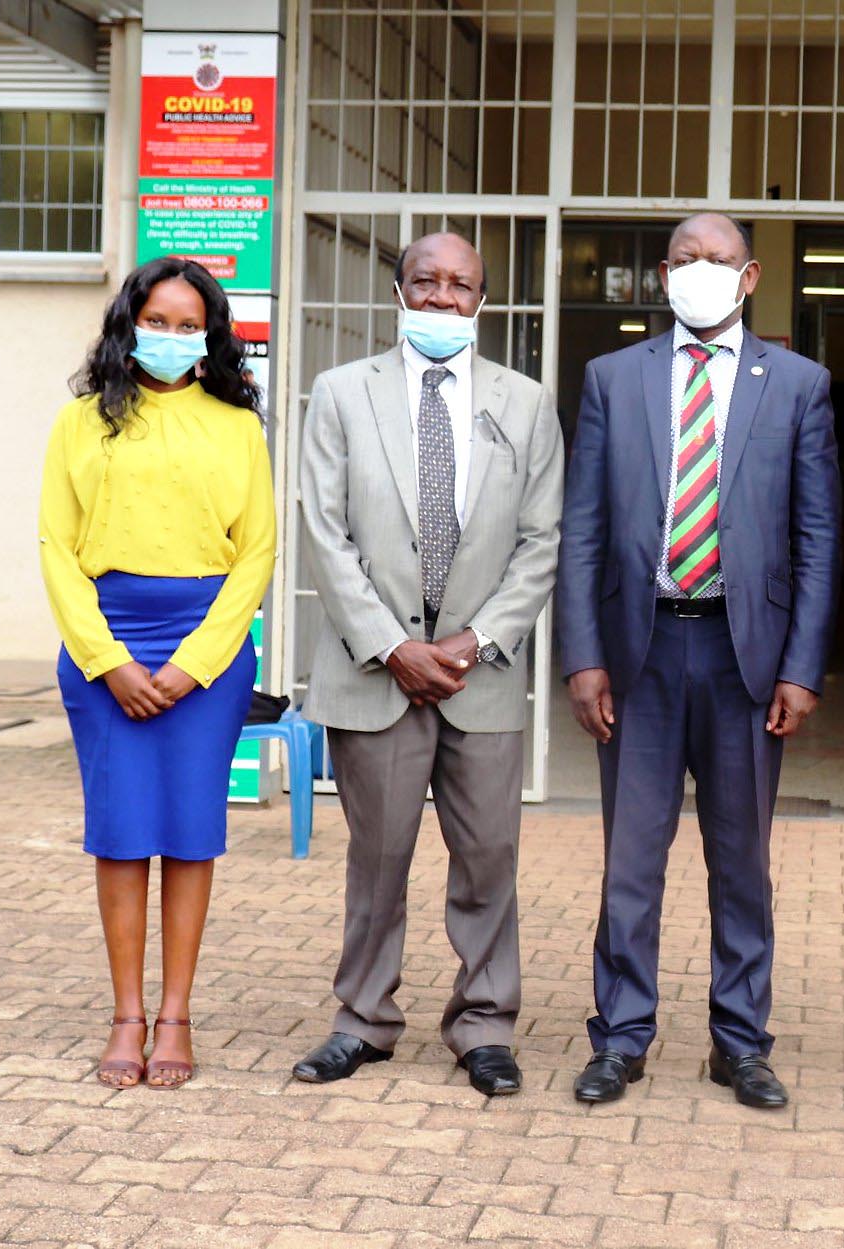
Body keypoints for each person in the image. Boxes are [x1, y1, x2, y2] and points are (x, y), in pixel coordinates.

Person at [557, 212, 841, 1109]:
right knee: (630, 862)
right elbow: (584, 530)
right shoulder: (612, 377)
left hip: (742, 656)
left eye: (717, 260)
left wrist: (802, 668)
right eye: (685, 259)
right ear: (663, 272)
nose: (700, 272)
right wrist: (582, 657)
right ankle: (621, 1037)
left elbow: (817, 536)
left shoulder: (798, 384)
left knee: (740, 861)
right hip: (638, 651)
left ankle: (740, 1042)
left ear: (749, 276)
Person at [291, 232, 563, 1096]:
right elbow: (322, 531)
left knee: (488, 856)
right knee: (378, 858)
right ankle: (362, 1018)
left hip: (478, 674)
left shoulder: (525, 403)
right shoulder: (340, 394)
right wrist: (393, 645)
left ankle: (484, 1023)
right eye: (426, 282)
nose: (442, 299)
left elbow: (541, 541)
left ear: (482, 298)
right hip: (375, 672)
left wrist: (473, 642)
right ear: (398, 289)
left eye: (460, 285)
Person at [39, 256, 276, 1090]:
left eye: (189, 326)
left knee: (187, 833)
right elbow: (55, 550)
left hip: (203, 653)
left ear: (209, 337)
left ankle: (174, 1014)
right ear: (128, 323)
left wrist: (192, 665)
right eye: (158, 321)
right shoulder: (80, 422)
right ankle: (125, 1016)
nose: (171, 338)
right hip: (106, 644)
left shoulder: (236, 425)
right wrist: (108, 662)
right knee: (119, 832)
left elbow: (256, 554)